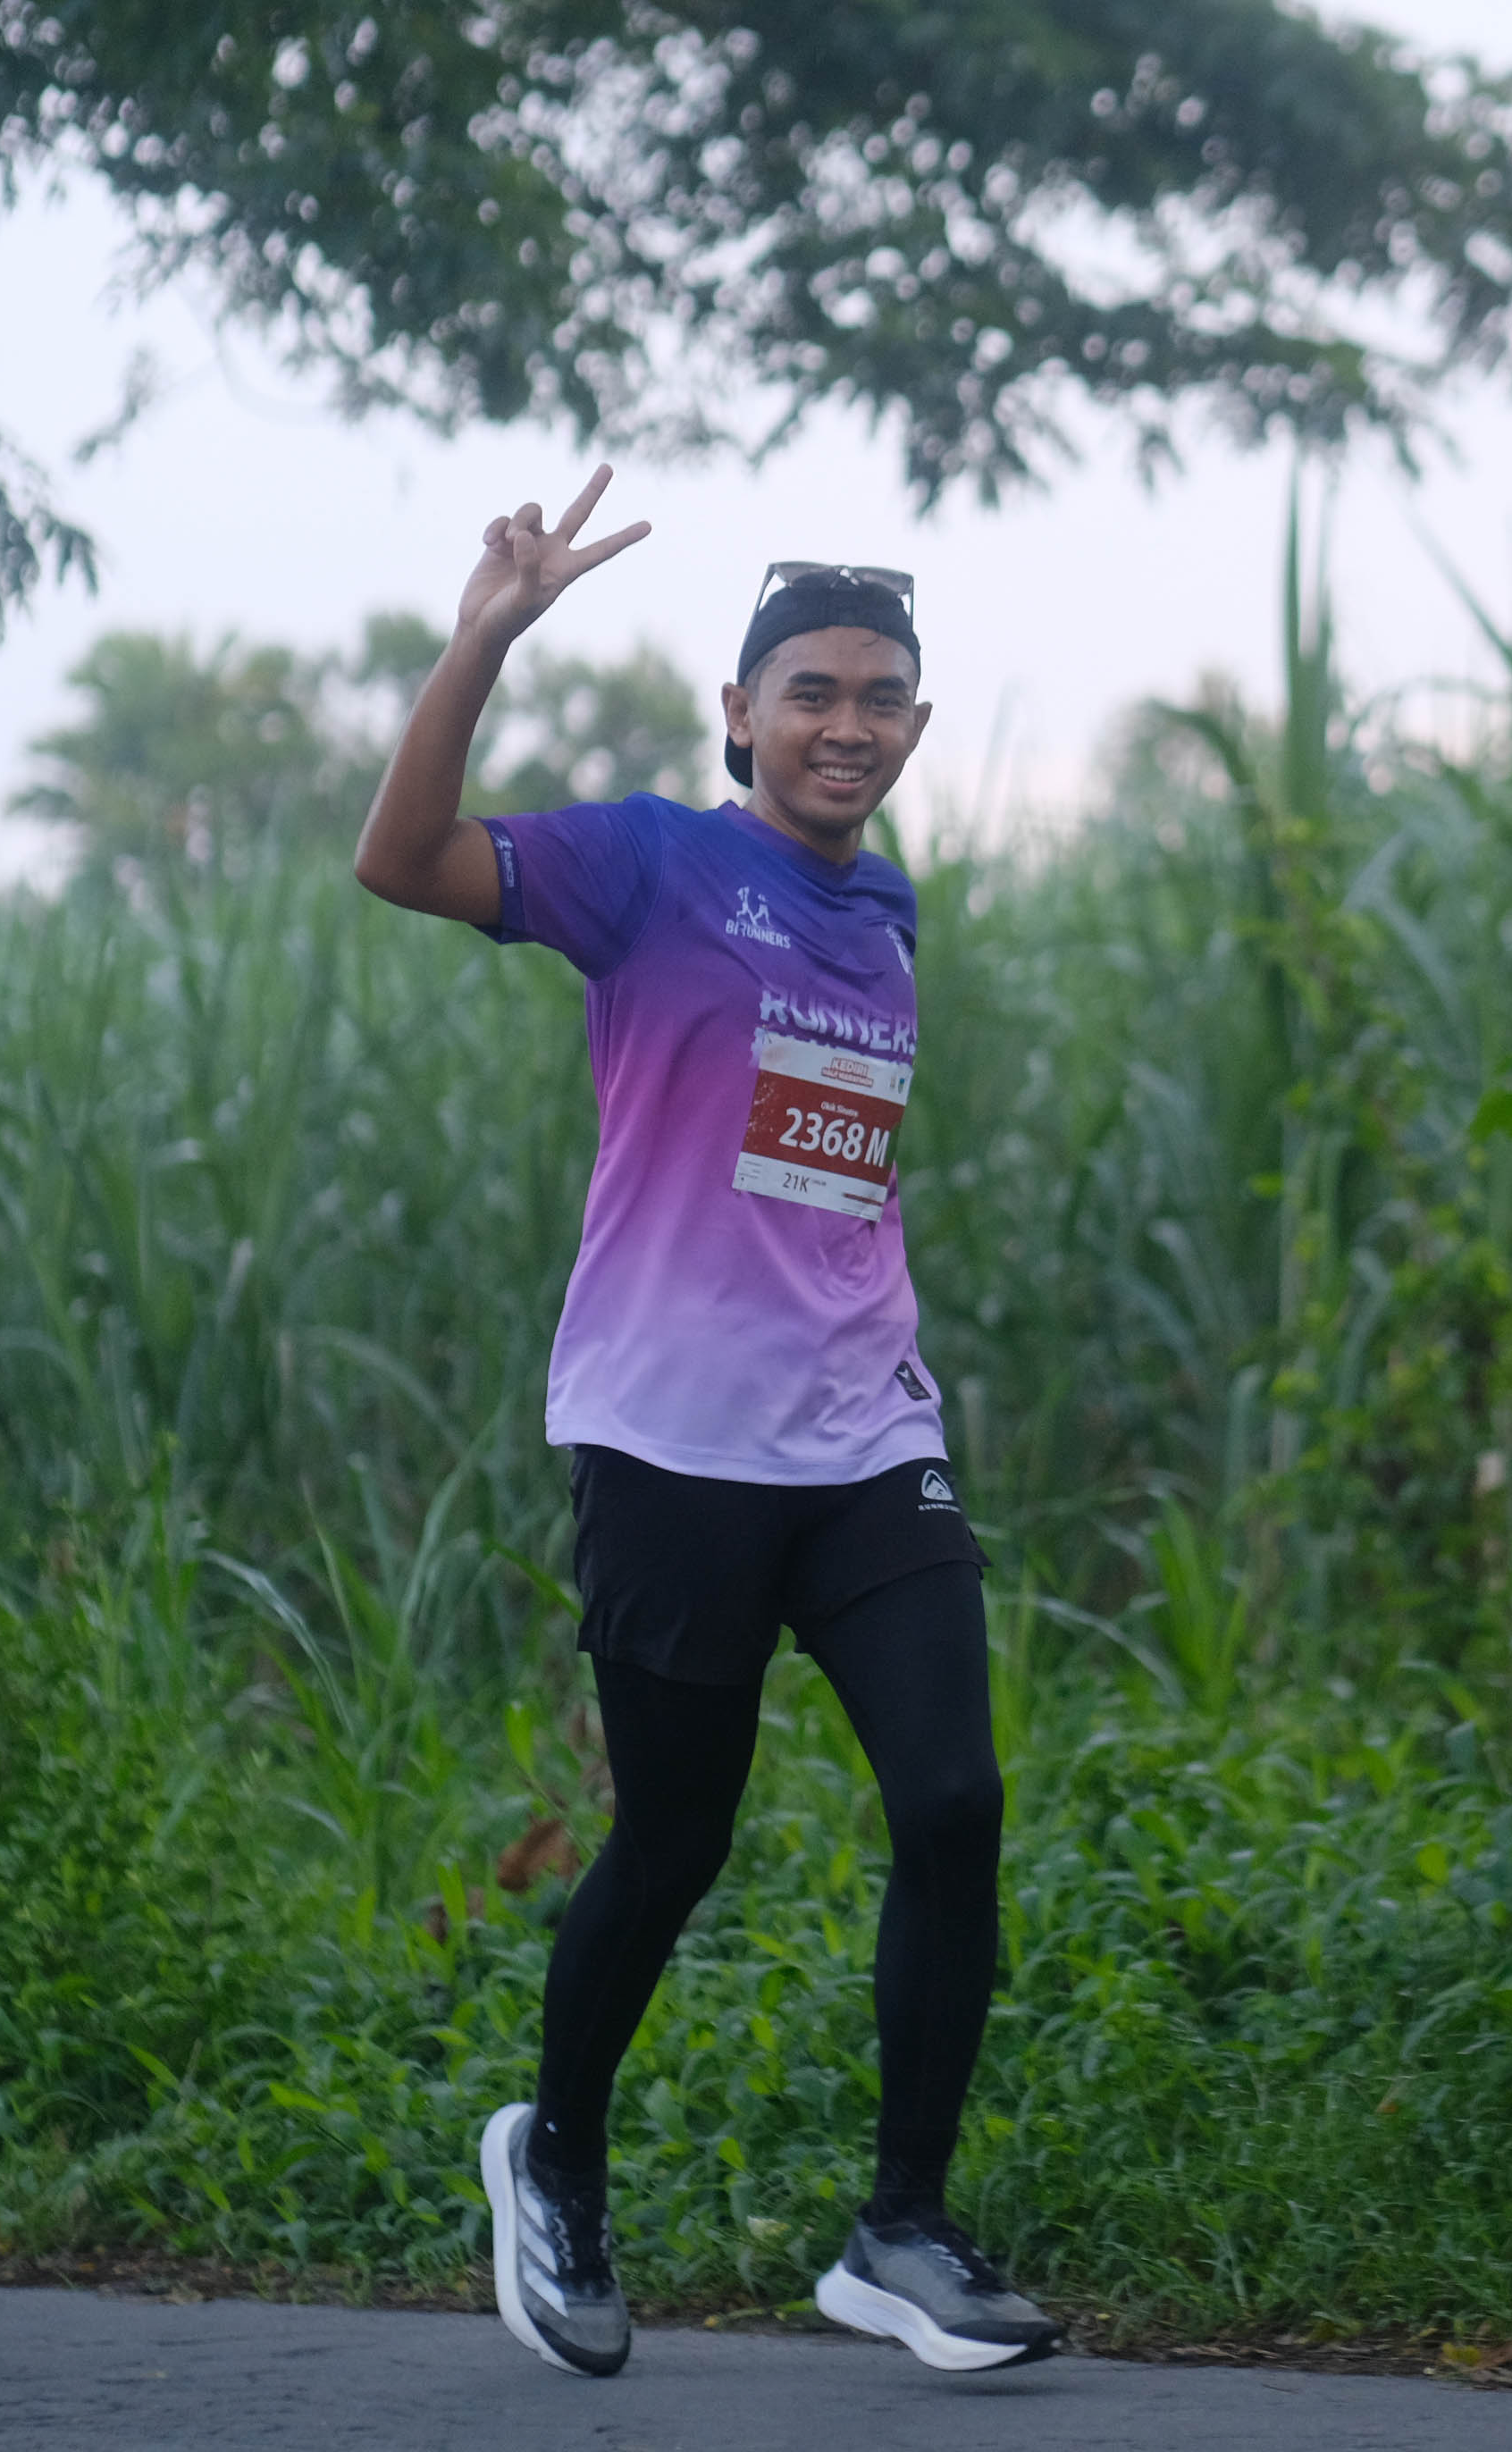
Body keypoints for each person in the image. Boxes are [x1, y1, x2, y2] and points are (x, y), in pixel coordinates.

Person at [351, 468, 1064, 2381]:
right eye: (811, 691)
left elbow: (823, 1173)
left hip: (864, 1431)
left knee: (955, 1802)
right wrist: (487, 636)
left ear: (916, 724)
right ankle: (555, 2159)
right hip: (672, 1440)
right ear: (739, 712)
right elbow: (401, 859)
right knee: (674, 1842)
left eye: (883, 696)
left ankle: (900, 2228)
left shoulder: (886, 908)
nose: (849, 723)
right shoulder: (651, 866)